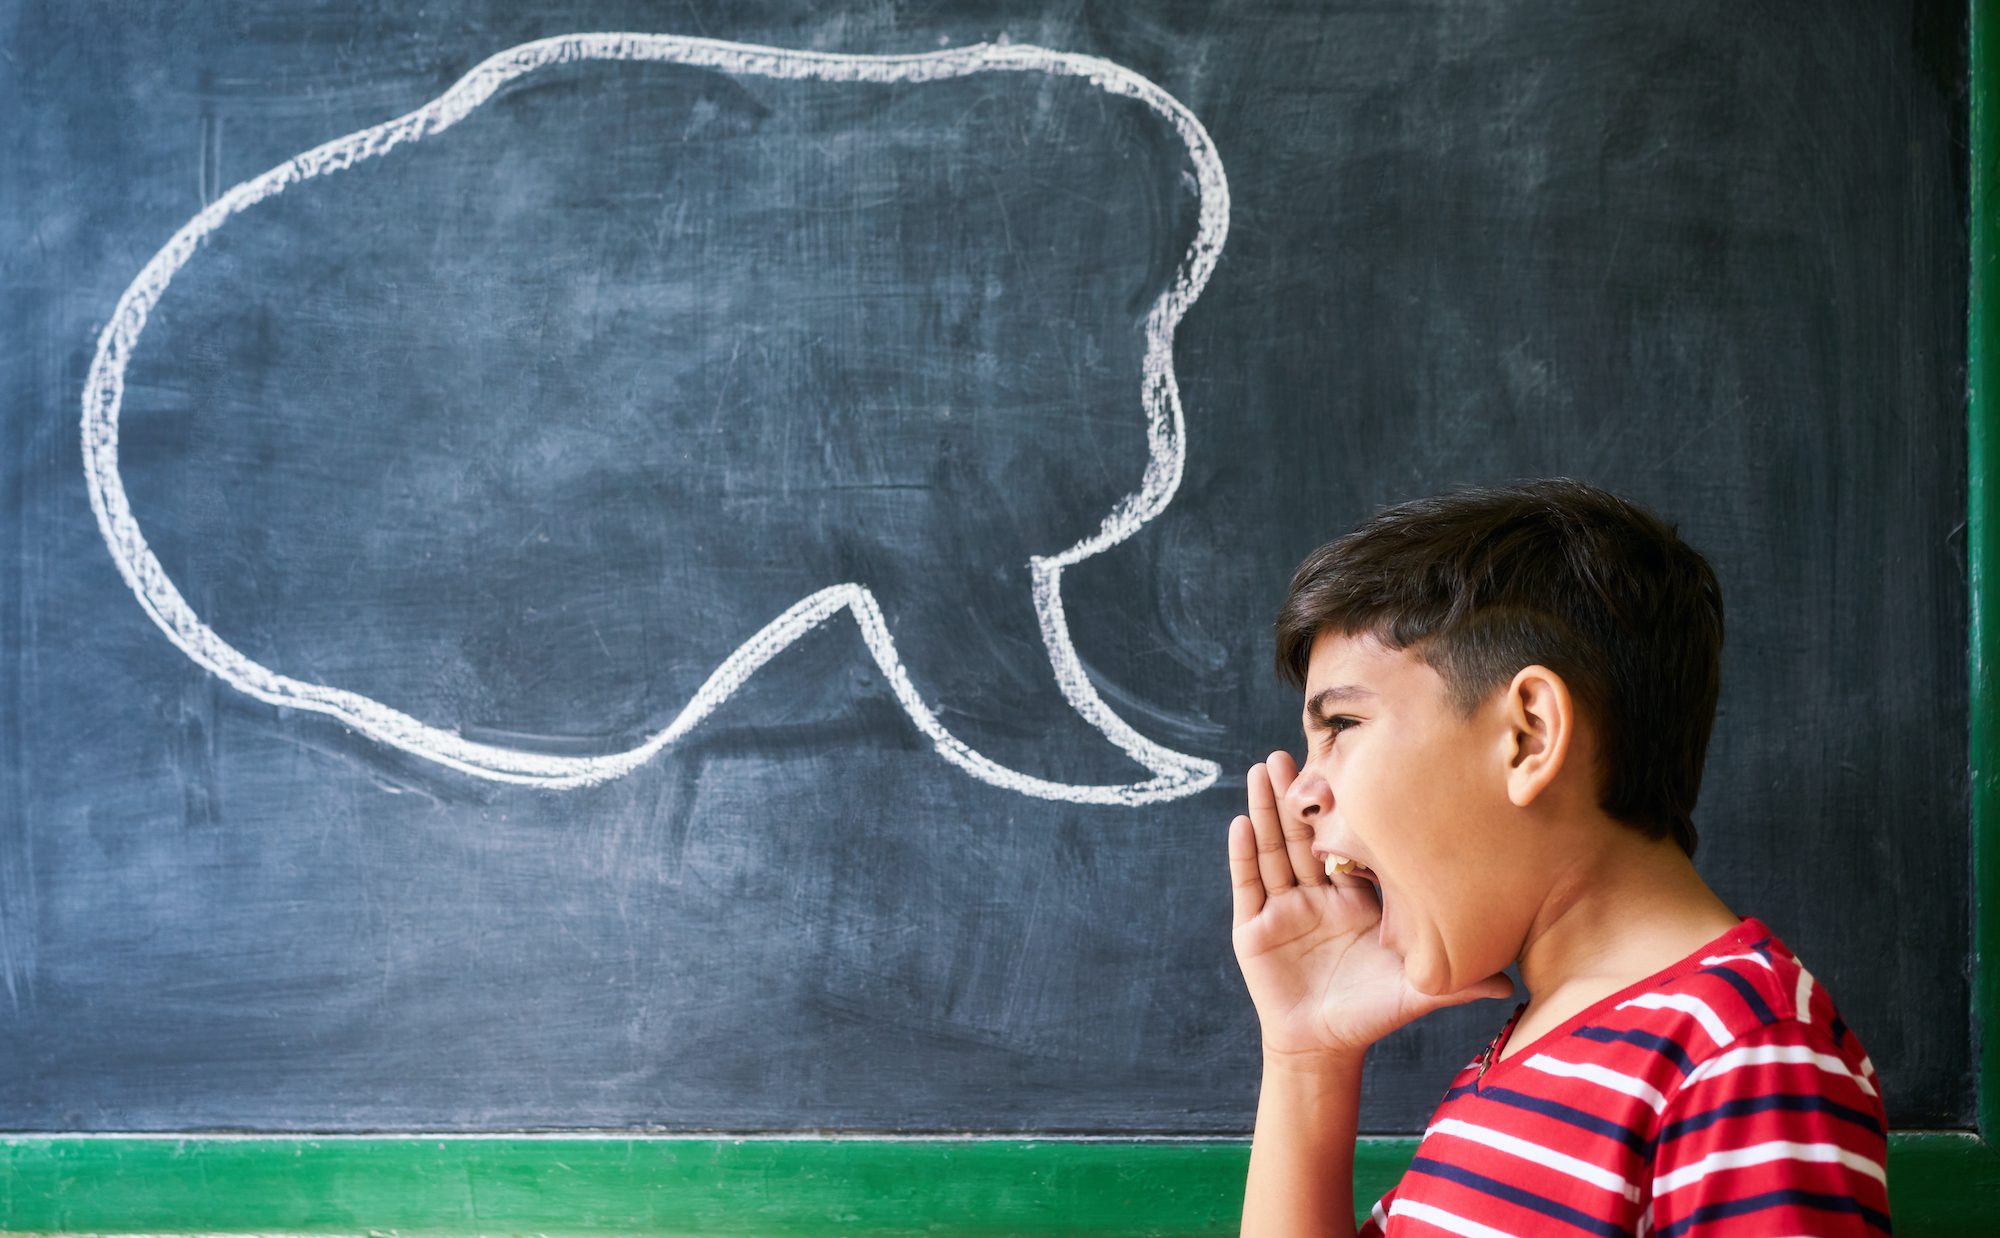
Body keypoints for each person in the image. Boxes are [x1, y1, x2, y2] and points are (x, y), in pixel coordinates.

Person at [1228, 479, 1890, 1237]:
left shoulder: (1743, 1056)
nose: (1302, 792)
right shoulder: (1526, 1057)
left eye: (1342, 723)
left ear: (1529, 737)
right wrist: (1306, 1056)